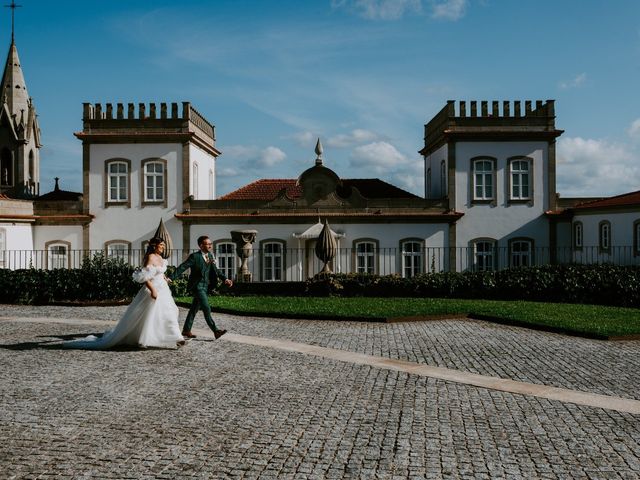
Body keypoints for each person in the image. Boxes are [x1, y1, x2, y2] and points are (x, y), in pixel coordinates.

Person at [63, 237, 185, 349]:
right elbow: (144, 277)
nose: (163, 247)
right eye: (161, 245)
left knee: (169, 312)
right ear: (155, 246)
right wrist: (152, 289)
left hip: (163, 289)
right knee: (148, 314)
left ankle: (177, 338)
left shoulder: (161, 258)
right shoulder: (150, 257)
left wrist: (165, 278)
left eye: (163, 245)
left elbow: (160, 272)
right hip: (153, 288)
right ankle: (144, 338)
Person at [170, 235, 232, 339]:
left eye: (210, 244)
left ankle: (186, 330)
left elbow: (216, 270)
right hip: (197, 286)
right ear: (201, 245)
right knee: (206, 307)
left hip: (205, 286)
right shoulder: (195, 256)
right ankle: (216, 331)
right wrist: (171, 278)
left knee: (194, 309)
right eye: (208, 244)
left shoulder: (210, 256)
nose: (210, 246)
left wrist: (225, 279)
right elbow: (183, 267)